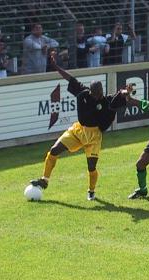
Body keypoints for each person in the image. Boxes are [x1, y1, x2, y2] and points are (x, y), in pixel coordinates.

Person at [30, 56, 127, 201]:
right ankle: (44, 180)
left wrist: (125, 92)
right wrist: (56, 67)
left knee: (91, 167)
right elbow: (70, 79)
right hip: (78, 130)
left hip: (94, 136)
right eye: (95, 94)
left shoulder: (106, 100)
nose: (98, 96)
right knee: (54, 150)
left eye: (100, 93)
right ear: (91, 91)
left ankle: (91, 191)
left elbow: (120, 95)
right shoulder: (83, 93)